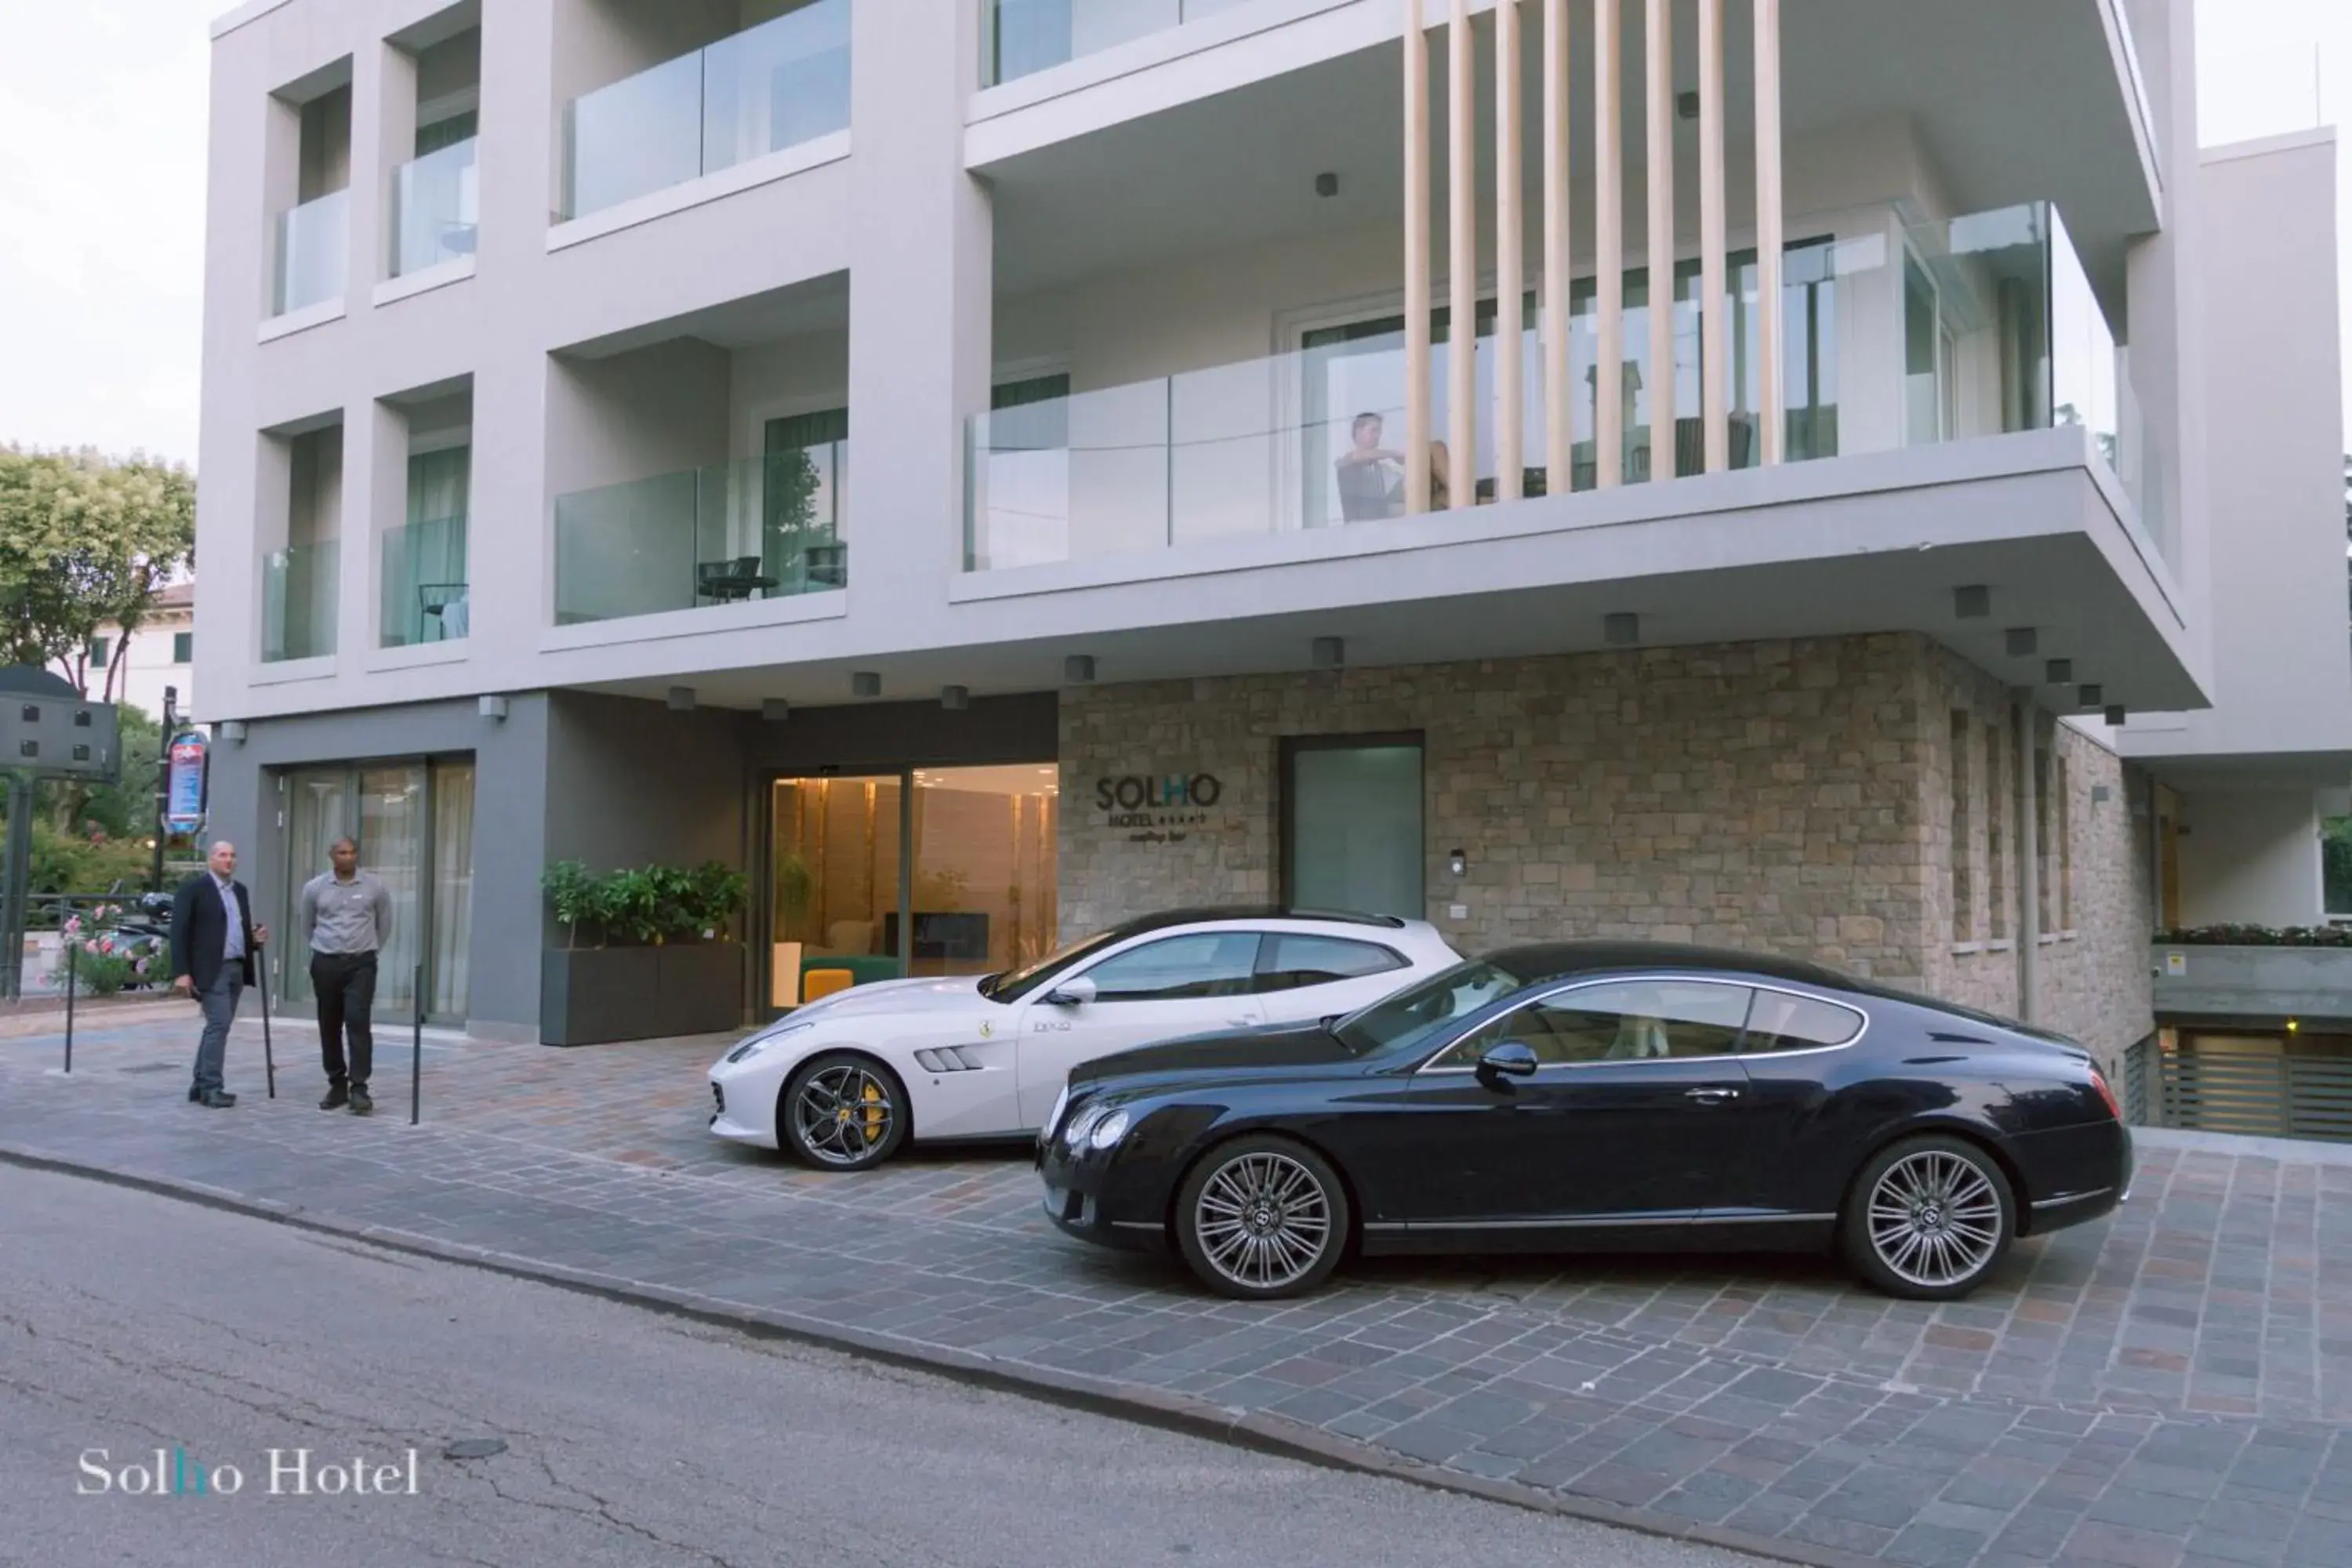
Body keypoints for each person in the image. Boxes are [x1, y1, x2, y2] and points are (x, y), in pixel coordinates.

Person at [298, 836, 392, 1116]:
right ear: (332, 856)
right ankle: (336, 1082)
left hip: (361, 963)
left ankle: (359, 1086)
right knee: (329, 1023)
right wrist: (325, 948)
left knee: (358, 1021)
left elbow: (384, 923)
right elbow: (307, 924)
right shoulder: (315, 888)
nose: (348, 857)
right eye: (342, 853)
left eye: (352, 853)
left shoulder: (374, 886)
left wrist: (370, 950)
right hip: (326, 962)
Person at [169, 840, 266, 1109]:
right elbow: (179, 932)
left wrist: (255, 939)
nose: (229, 860)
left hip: (236, 965)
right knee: (218, 1025)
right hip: (210, 969)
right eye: (223, 855)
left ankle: (200, 1085)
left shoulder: (240, 892)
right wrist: (182, 973)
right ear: (211, 859)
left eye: (233, 856)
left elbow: (239, 930)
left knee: (217, 1027)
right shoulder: (194, 890)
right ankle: (212, 1087)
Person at [1334, 412, 1405, 521]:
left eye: (1379, 432)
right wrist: (1395, 454)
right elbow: (1361, 456)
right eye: (1373, 431)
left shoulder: (1382, 470)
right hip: (1357, 529)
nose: (1378, 436)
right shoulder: (1346, 462)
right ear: (1359, 432)